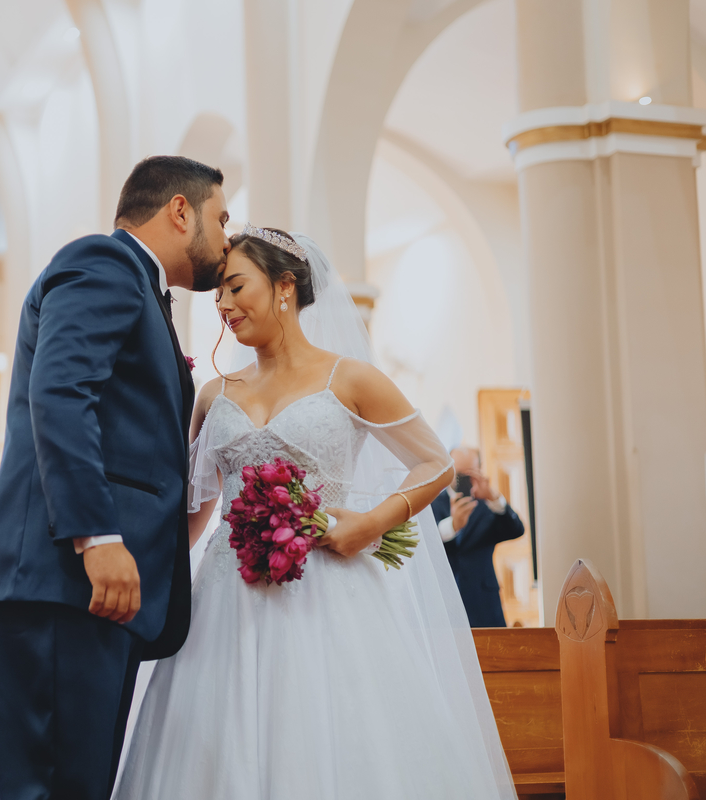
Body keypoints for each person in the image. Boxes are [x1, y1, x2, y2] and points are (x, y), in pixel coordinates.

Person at [112, 228, 516, 799]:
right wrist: (132, 566)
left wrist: (371, 523)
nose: (223, 304)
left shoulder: (348, 378)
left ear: (284, 287)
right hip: (226, 600)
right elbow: (193, 514)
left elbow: (435, 463)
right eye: (219, 294)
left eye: (235, 287)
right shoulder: (213, 394)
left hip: (328, 591)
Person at [0, 155, 231, 800]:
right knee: (53, 788)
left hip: (91, 589)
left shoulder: (140, 287)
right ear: (180, 210)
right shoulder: (104, 264)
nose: (226, 238)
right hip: (64, 576)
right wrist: (97, 537)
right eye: (220, 219)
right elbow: (61, 391)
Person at [430, 447, 526, 628]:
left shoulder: (488, 504)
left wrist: (494, 498)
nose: (463, 479)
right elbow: (424, 544)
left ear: (479, 470)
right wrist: (453, 526)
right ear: (448, 470)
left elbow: (516, 530)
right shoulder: (432, 502)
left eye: (469, 473)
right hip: (443, 603)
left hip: (484, 603)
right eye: (459, 473)